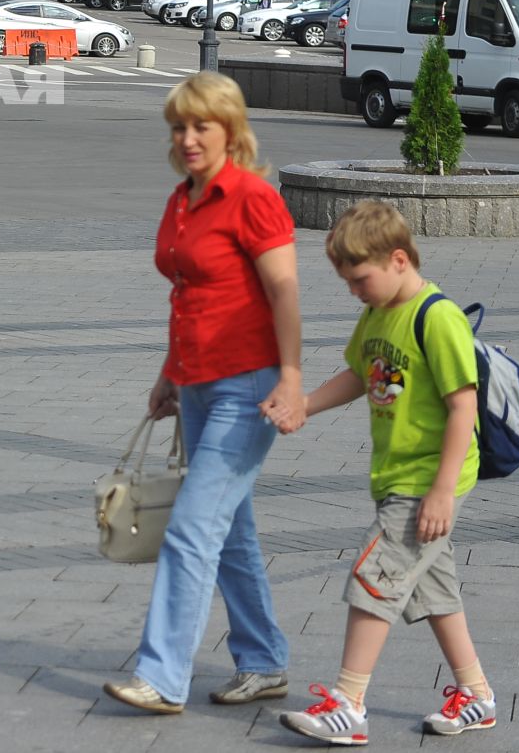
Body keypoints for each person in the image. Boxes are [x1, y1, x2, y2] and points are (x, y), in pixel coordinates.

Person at [104, 71, 305, 717]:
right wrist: (170, 370)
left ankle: (162, 676)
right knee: (232, 530)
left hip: (249, 384)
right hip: (196, 381)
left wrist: (293, 378)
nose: (188, 138)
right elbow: (187, 291)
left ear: (231, 131)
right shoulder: (183, 198)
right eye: (179, 126)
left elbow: (284, 293)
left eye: (201, 126)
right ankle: (264, 658)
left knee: (192, 528)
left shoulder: (252, 197)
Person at [279, 201, 493, 745]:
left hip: (426, 480)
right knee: (433, 592)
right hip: (397, 476)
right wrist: (306, 404)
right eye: (348, 282)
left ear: (398, 259)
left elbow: (463, 407)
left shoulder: (436, 316)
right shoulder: (378, 312)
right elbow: (360, 372)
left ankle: (348, 705)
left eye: (360, 279)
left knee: (374, 581)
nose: (355, 291)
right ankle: (477, 695)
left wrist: (442, 491)